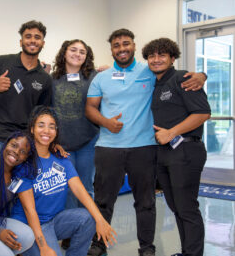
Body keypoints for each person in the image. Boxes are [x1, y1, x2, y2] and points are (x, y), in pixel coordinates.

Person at [85, 29, 207, 256]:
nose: (122, 48)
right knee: (103, 201)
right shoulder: (101, 77)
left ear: (133, 46)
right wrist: (106, 122)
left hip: (144, 148)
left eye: (126, 43)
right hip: (109, 147)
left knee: (146, 203)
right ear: (111, 49)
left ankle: (147, 248)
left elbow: (180, 78)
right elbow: (90, 108)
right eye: (116, 45)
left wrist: (201, 75)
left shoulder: (149, 71)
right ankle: (99, 243)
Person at [11, 106, 116, 256]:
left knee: (89, 218)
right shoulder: (25, 162)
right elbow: (30, 210)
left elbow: (80, 190)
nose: (46, 131)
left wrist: (100, 219)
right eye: (41, 125)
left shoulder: (61, 158)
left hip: (53, 221)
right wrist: (43, 247)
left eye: (51, 126)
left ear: (56, 131)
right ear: (32, 129)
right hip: (30, 226)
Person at [142, 38, 211, 256]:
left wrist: (172, 132)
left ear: (173, 58)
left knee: (187, 208)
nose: (156, 59)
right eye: (152, 56)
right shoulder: (153, 83)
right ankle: (188, 252)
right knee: (176, 208)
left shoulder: (182, 78)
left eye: (162, 55)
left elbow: (202, 113)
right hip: (163, 153)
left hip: (186, 151)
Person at [0, 20, 52, 158]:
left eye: (37, 37)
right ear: (21, 42)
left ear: (43, 43)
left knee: (18, 179)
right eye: (28, 37)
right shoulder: (1, 62)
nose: (32, 40)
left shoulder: (45, 78)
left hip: (23, 138)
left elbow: (42, 113)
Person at [52, 40, 99, 209]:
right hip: (63, 145)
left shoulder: (95, 77)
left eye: (82, 52)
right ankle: (71, 232)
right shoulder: (52, 79)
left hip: (89, 141)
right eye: (73, 50)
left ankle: (88, 229)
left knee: (86, 188)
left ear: (86, 57)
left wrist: (110, 70)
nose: (77, 54)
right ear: (64, 52)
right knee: (68, 189)